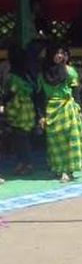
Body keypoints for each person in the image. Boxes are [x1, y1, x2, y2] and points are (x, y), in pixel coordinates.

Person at [38, 44, 82, 182]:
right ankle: (58, 169)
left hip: (67, 108)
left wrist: (79, 110)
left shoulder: (70, 71)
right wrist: (41, 116)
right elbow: (39, 96)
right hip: (51, 110)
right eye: (56, 53)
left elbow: (76, 93)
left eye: (62, 53)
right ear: (50, 54)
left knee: (70, 140)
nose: (59, 56)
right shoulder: (42, 74)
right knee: (54, 142)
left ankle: (68, 170)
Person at [2, 46, 37, 175]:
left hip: (17, 109)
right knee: (24, 137)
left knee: (19, 138)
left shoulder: (12, 76)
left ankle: (25, 164)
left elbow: (10, 93)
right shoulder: (26, 74)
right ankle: (25, 163)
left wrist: (3, 101)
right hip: (28, 108)